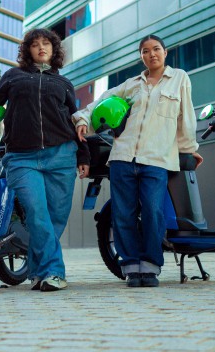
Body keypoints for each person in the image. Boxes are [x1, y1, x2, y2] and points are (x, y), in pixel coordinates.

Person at [0, 28, 90, 292]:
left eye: (46, 43)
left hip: (61, 155)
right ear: (28, 51)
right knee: (37, 213)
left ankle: (38, 271)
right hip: (22, 158)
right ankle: (54, 272)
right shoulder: (14, 77)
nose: (41, 48)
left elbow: (75, 121)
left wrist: (83, 154)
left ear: (54, 50)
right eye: (35, 45)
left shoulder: (64, 83)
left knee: (56, 217)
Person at [73, 34, 202, 288]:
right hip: (122, 157)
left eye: (155, 49)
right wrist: (82, 119)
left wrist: (188, 149)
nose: (151, 54)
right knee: (123, 214)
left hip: (156, 159)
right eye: (145, 51)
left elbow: (185, 118)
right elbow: (100, 101)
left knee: (154, 212)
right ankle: (132, 267)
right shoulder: (131, 84)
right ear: (141, 56)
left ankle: (151, 267)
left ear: (165, 52)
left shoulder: (179, 79)